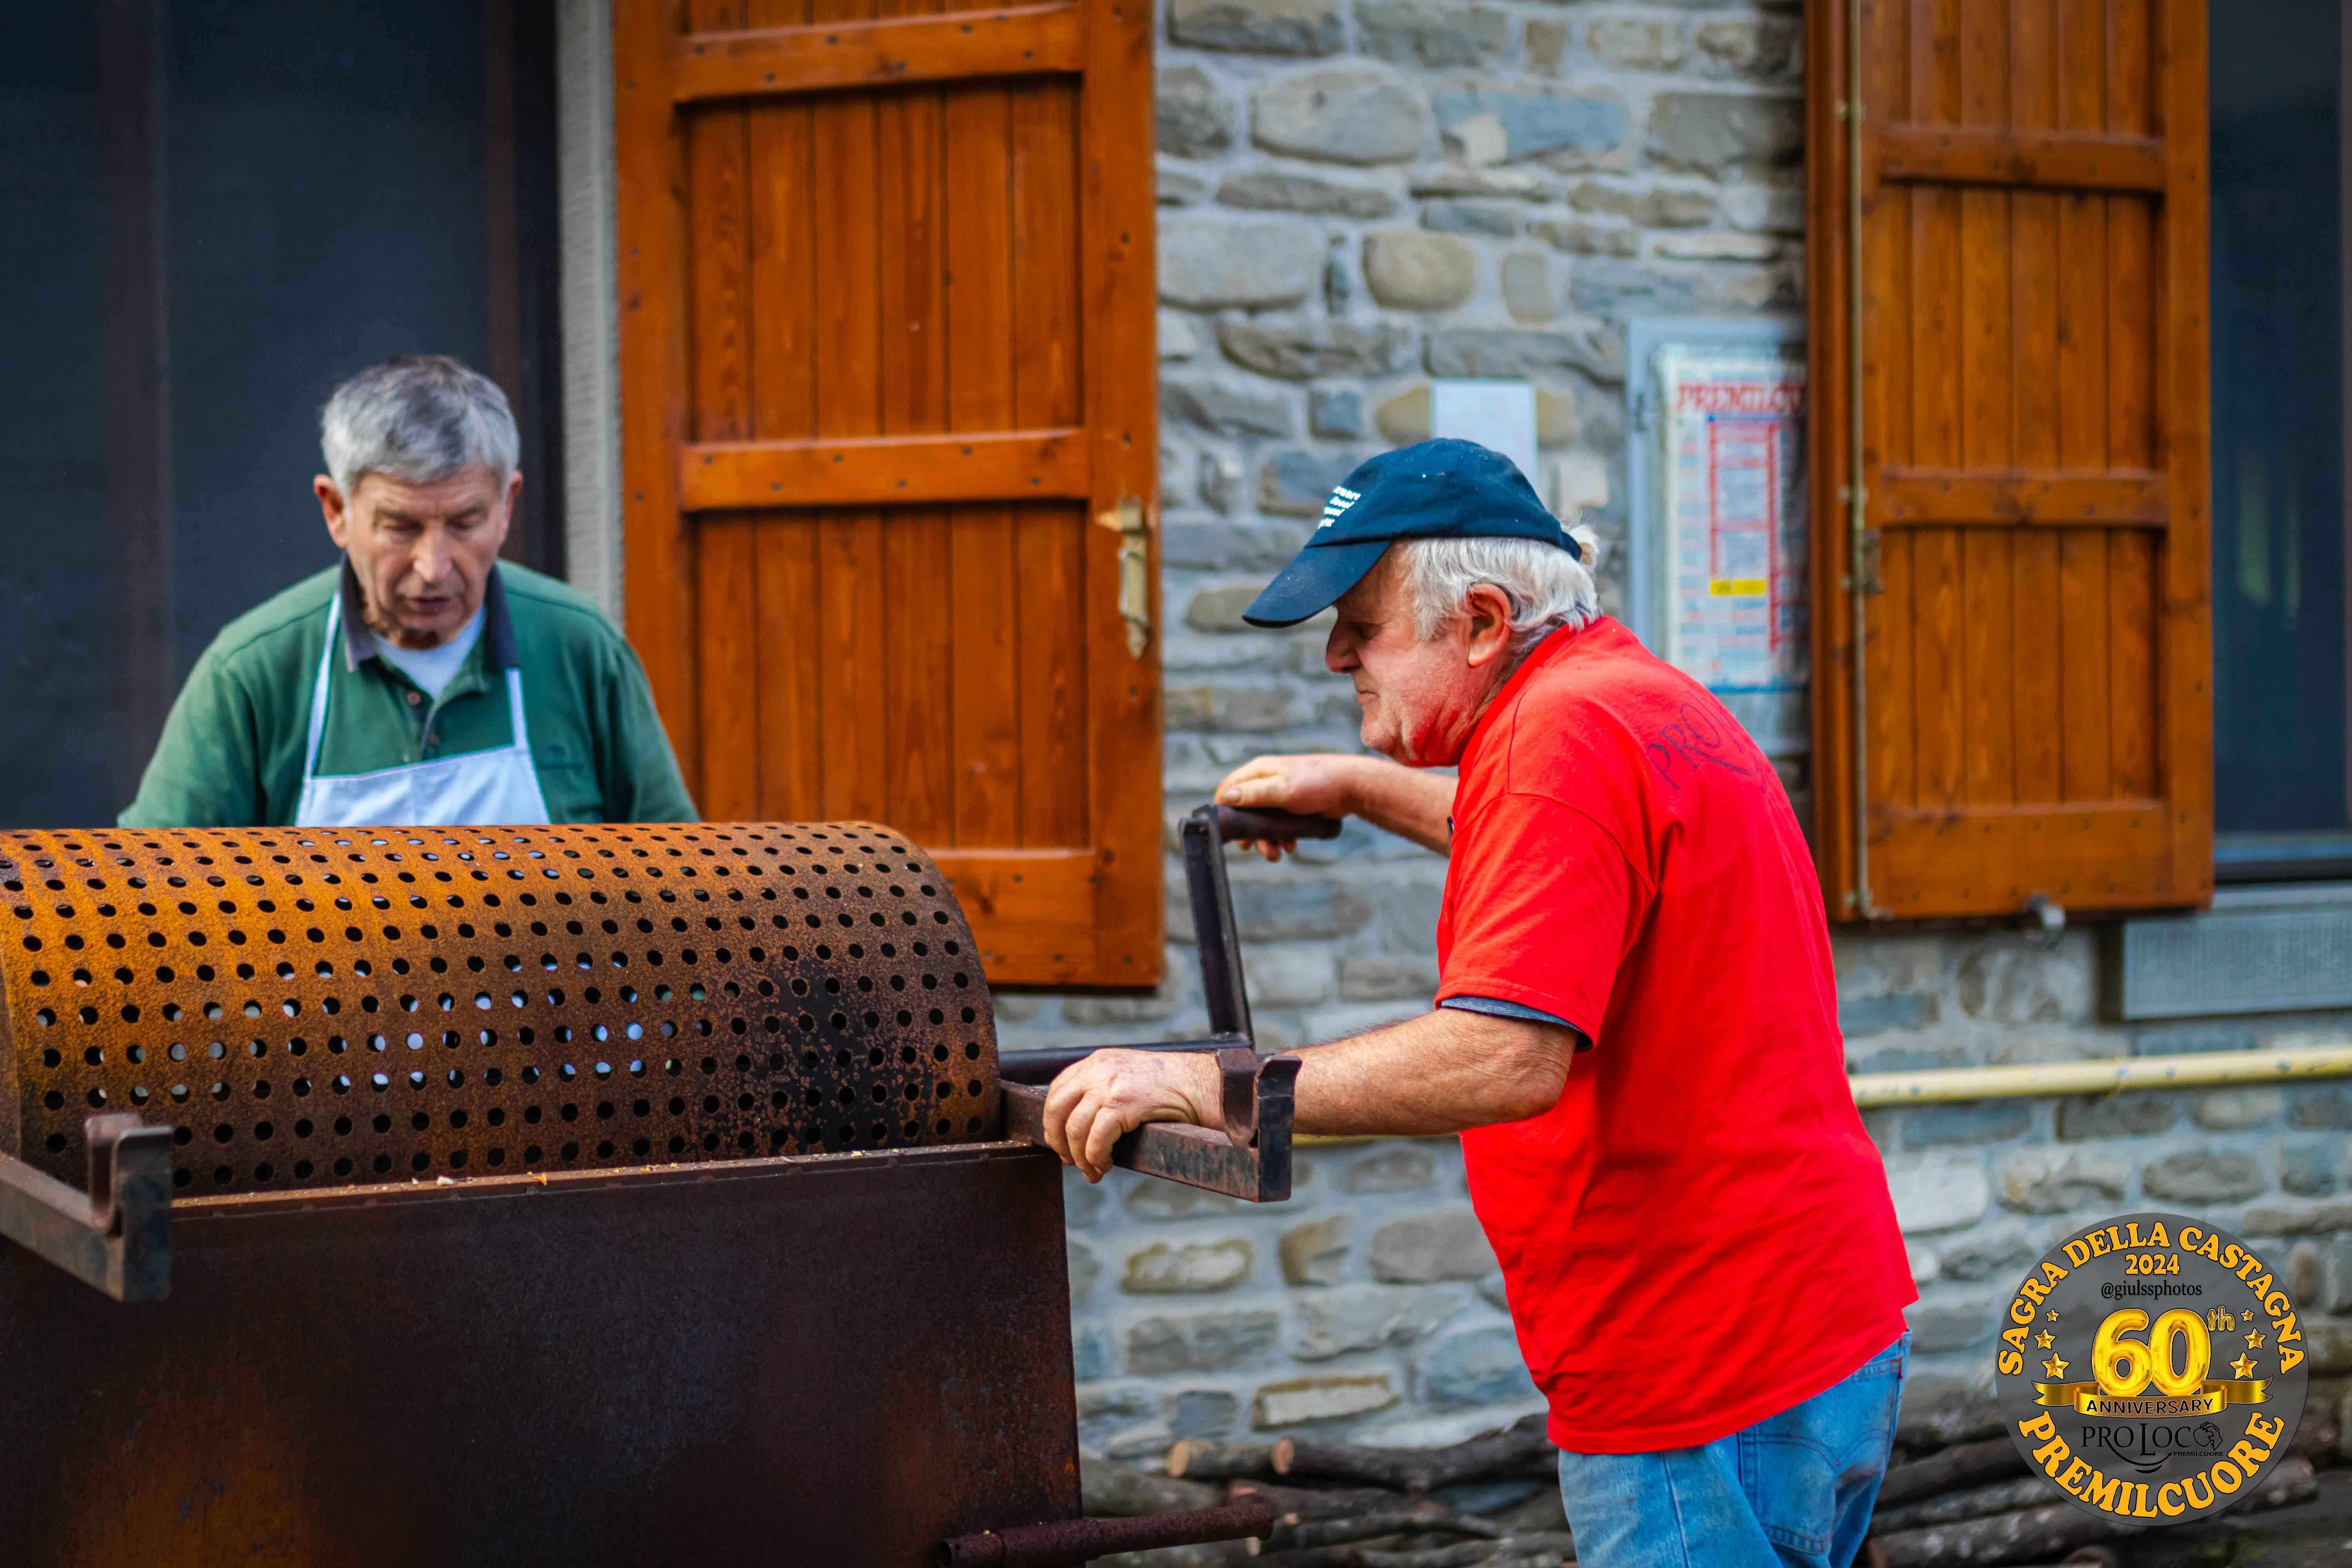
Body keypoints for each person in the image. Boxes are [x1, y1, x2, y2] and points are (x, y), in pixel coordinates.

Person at [1040, 440, 1915, 1568]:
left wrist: (1209, 1085)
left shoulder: (1559, 742)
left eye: (1363, 624)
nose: (1337, 655)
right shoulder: (1628, 698)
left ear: (1484, 622)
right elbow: (1555, 844)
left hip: (1700, 1371)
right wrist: (1364, 785)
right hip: (1813, 1327)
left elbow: (1504, 1057)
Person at [120, 355, 695, 828]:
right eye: (400, 527)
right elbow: (149, 895)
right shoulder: (252, 673)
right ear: (337, 510)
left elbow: (676, 881)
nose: (434, 567)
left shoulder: (579, 648)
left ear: (507, 506)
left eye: (465, 523)